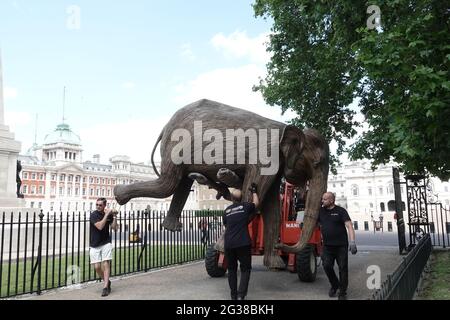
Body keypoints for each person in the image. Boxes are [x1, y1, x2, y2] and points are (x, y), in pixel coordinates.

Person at [222, 183, 259, 300]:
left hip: (229, 244)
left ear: (232, 199)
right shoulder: (245, 206)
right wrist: (254, 191)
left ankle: (233, 296)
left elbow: (226, 225)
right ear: (241, 198)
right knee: (245, 269)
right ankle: (241, 295)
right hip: (243, 243)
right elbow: (256, 203)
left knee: (232, 270)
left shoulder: (226, 211)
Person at [318, 192, 357, 300]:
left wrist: (352, 242)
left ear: (331, 200)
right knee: (326, 266)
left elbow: (349, 226)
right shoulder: (321, 211)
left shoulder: (341, 211)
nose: (322, 201)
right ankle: (335, 284)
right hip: (327, 246)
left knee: (343, 269)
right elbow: (313, 223)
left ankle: (342, 292)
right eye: (322, 199)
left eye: (325, 199)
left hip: (341, 246)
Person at [90, 198, 118, 297]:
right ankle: (107, 281)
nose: (98, 206)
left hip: (106, 242)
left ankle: (106, 287)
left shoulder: (109, 215)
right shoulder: (93, 215)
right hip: (94, 244)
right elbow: (100, 226)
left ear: (104, 206)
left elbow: (115, 228)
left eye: (100, 205)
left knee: (106, 263)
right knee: (97, 267)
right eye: (97, 204)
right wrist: (107, 215)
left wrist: (114, 216)